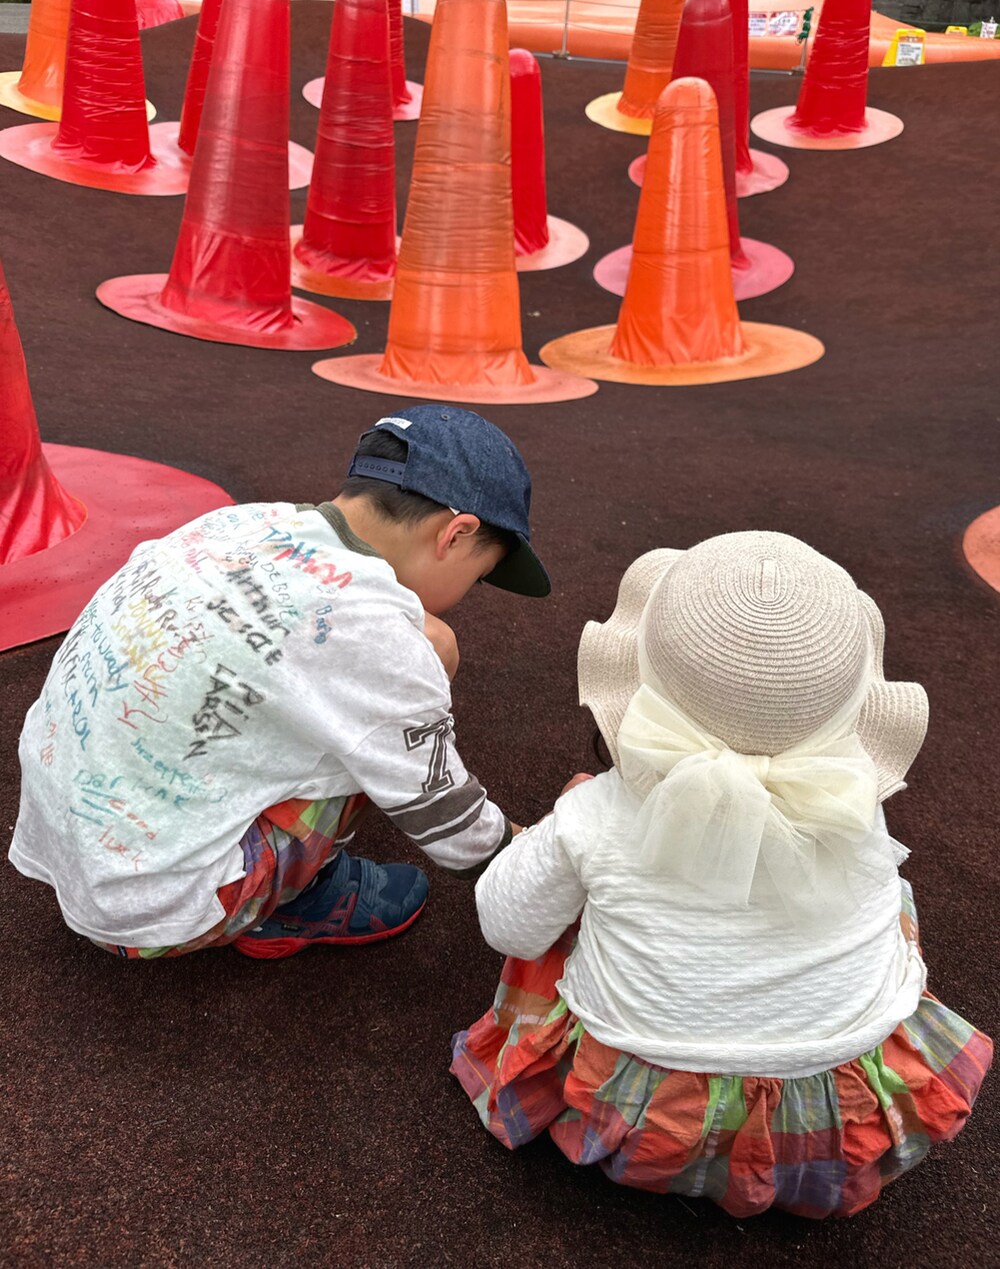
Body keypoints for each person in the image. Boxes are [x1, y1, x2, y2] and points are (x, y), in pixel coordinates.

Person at [450, 531, 992, 1219]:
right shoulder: (857, 816)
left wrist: (566, 815)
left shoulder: (596, 811)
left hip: (644, 1122)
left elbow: (505, 923)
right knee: (892, 895)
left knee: (551, 901)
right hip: (832, 1127)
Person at [11, 404, 547, 960]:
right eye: (479, 576)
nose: (470, 591)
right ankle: (300, 900)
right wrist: (547, 859)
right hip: (155, 908)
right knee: (391, 712)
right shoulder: (370, 630)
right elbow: (450, 824)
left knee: (408, 656)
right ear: (455, 534)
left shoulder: (238, 523)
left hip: (67, 845)